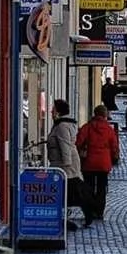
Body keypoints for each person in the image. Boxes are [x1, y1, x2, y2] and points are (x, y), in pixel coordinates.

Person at [76, 104, 121, 226]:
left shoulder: (87, 127)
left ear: (94, 114)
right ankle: (99, 211)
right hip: (103, 163)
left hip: (89, 163)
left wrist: (80, 152)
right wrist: (115, 157)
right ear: (105, 115)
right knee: (101, 188)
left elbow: (78, 142)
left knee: (89, 187)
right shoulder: (109, 130)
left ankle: (90, 210)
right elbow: (114, 146)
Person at [46, 99, 85, 232]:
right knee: (68, 191)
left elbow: (65, 146)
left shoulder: (62, 126)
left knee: (66, 192)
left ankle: (67, 217)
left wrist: (65, 166)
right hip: (62, 165)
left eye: (53, 109)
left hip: (63, 166)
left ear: (58, 111)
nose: (51, 111)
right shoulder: (61, 124)